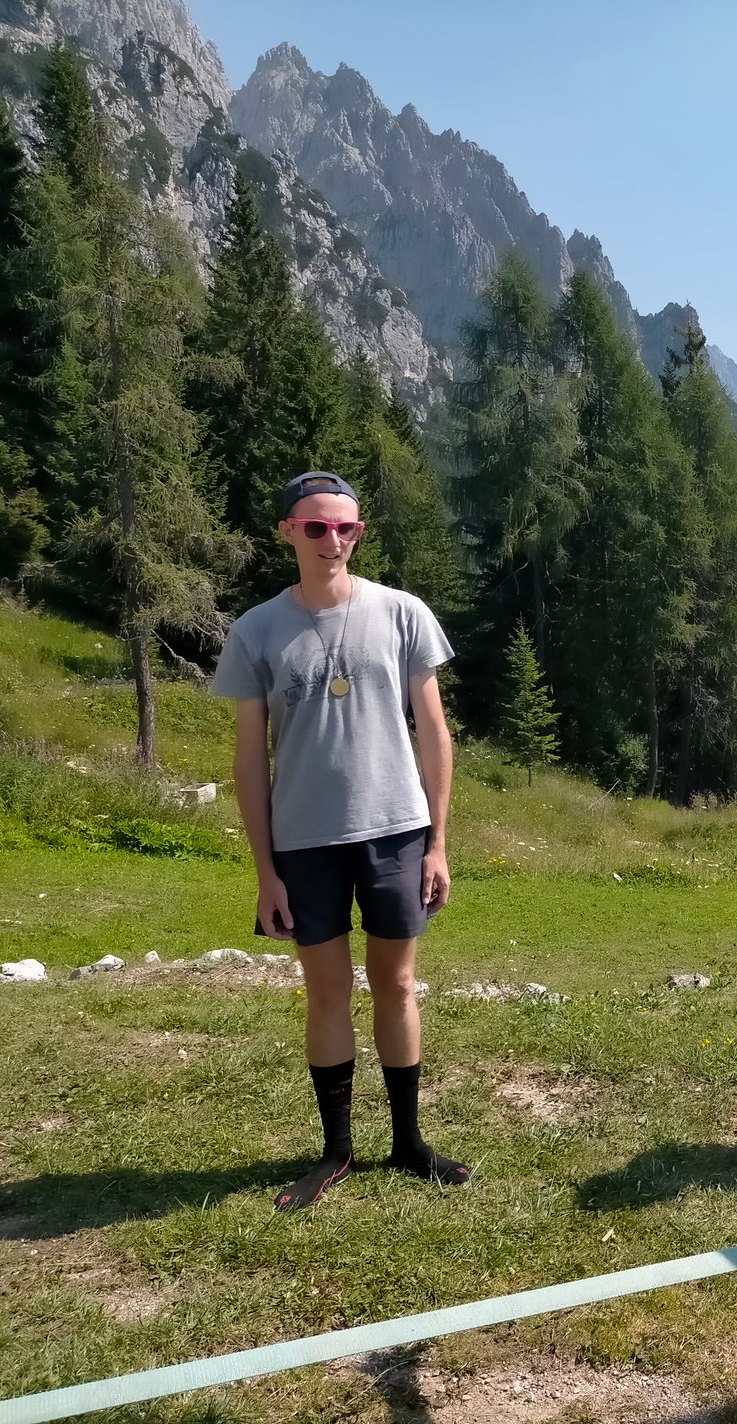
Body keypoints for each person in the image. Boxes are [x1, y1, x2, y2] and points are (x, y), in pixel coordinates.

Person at [212, 471, 471, 1211]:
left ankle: (409, 1143)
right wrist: (265, 871)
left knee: (397, 984)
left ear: (358, 533)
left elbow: (434, 733)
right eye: (317, 527)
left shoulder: (403, 613)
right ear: (288, 533)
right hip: (304, 843)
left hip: (396, 832)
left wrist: (437, 843)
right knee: (326, 991)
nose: (333, 540)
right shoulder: (257, 630)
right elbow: (249, 762)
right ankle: (336, 1151)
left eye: (346, 528)